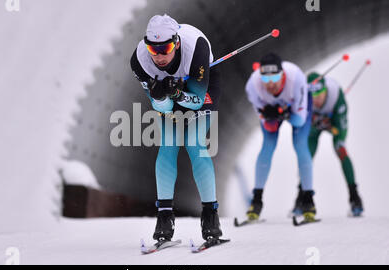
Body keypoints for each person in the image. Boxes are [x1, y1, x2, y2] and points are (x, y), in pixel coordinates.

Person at [130, 14, 223, 241]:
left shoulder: (196, 47)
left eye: (166, 48)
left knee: (194, 142)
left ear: (177, 43)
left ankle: (210, 214)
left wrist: (178, 92)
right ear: (146, 47)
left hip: (200, 87)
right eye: (154, 50)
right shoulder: (139, 60)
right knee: (168, 144)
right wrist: (162, 96)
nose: (160, 57)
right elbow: (161, 107)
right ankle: (164, 216)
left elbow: (198, 101)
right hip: (173, 94)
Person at [245, 52, 316, 221]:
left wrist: (284, 113)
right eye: (265, 79)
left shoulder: (296, 78)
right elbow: (268, 125)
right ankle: (256, 200)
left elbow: (299, 121)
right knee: (267, 146)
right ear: (259, 77)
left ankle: (308, 199)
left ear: (282, 74)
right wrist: (272, 116)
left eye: (275, 78)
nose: (270, 84)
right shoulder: (253, 86)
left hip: (296, 110)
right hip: (275, 111)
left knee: (300, 145)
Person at [292, 73, 364, 216]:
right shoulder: (303, 99)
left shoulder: (337, 97)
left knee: (341, 149)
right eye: (313, 97)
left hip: (334, 122)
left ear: (325, 90)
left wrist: (330, 126)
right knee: (306, 156)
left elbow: (340, 131)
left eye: (320, 96)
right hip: (315, 127)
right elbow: (301, 124)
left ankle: (354, 196)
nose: (317, 101)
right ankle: (301, 197)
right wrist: (315, 123)